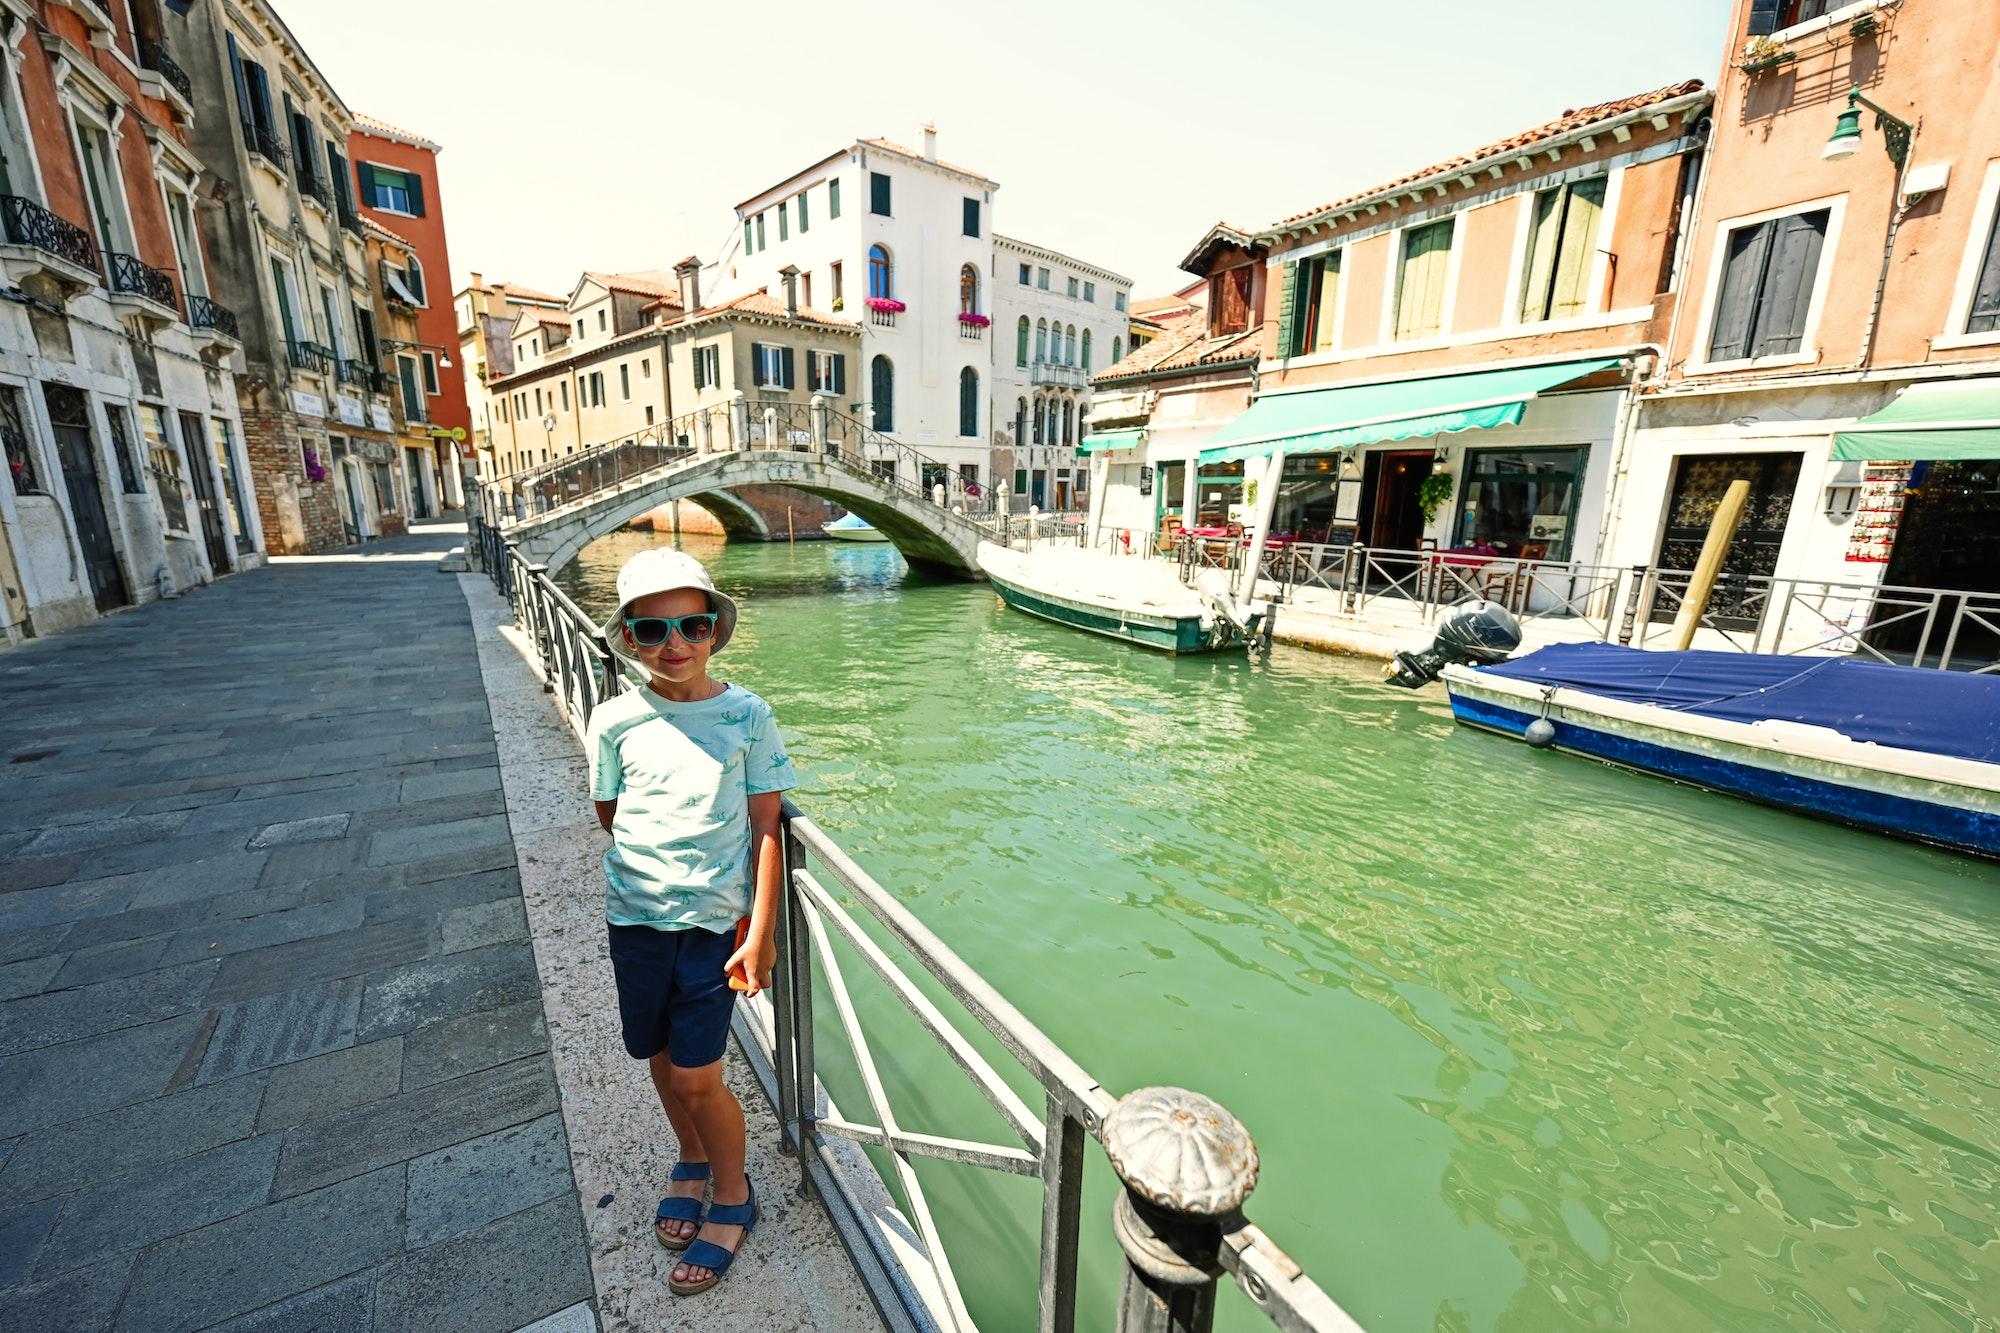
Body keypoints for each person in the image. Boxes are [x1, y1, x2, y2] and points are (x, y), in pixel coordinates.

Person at [585, 548, 797, 1297]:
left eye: (692, 625)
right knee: (656, 1052)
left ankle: (734, 1196)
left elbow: (766, 826)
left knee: (701, 1075)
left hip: (713, 931)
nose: (674, 643)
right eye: (653, 630)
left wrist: (761, 931)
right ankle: (692, 1156)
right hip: (635, 922)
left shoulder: (748, 714)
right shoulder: (613, 720)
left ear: (714, 631)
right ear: (630, 639)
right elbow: (613, 814)